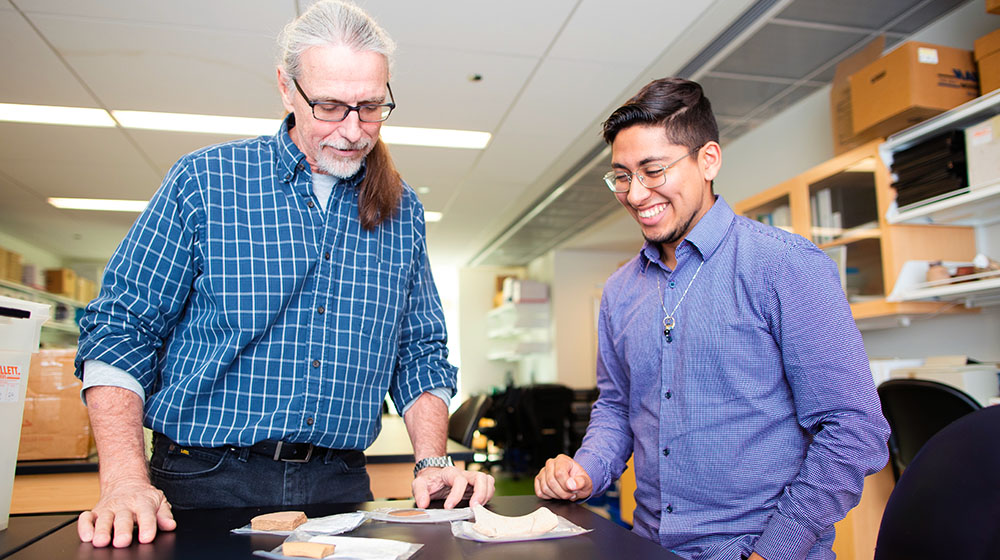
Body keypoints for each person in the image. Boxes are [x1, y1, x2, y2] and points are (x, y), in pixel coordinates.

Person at [74, 0, 493, 549]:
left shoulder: (401, 209)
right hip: (204, 481)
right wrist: (125, 480)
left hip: (339, 484)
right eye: (330, 106)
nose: (353, 130)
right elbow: (121, 329)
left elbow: (418, 350)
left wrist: (432, 461)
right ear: (285, 88)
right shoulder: (205, 182)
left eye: (370, 107)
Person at [534, 77, 890, 560]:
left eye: (653, 170)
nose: (636, 194)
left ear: (708, 160)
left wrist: (774, 551)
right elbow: (617, 408)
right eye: (621, 176)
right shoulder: (620, 291)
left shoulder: (785, 266)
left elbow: (854, 429)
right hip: (649, 545)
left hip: (756, 550)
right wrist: (585, 470)